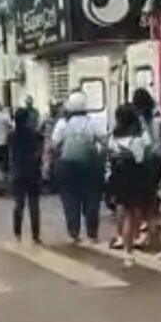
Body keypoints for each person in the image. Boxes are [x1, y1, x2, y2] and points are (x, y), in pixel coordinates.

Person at [52, 91, 106, 243]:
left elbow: (54, 144)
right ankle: (92, 232)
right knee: (92, 199)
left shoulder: (63, 124)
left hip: (68, 167)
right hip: (90, 166)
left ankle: (73, 231)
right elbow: (105, 141)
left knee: (70, 199)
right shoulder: (93, 122)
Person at [108, 104, 152, 266]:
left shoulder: (113, 137)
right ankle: (135, 237)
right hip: (136, 176)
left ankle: (128, 251)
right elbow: (144, 154)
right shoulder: (137, 139)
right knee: (137, 211)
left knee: (126, 212)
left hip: (119, 177)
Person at [131, 88, 161, 255]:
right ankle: (153, 228)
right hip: (158, 157)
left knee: (141, 199)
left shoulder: (136, 118)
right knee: (152, 195)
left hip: (143, 159)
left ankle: (144, 230)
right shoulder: (157, 113)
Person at [9, 108, 43, 243]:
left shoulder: (11, 135)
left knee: (18, 204)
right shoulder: (35, 134)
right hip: (32, 172)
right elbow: (39, 150)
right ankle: (35, 235)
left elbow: (10, 153)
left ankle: (17, 233)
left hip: (17, 172)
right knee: (34, 205)